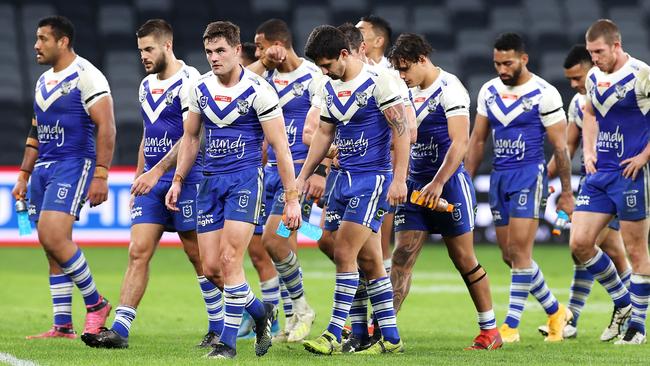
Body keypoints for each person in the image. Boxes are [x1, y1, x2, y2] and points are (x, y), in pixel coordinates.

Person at [79, 19, 224, 349]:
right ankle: (120, 329)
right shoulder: (145, 86)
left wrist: (157, 173)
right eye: (140, 50)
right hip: (153, 184)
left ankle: (222, 324)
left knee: (199, 258)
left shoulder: (191, 82)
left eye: (148, 49)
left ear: (167, 46)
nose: (143, 55)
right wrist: (138, 178)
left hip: (187, 180)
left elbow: (193, 136)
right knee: (137, 252)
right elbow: (150, 134)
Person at [165, 21, 302, 359]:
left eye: (221, 50)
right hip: (209, 182)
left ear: (237, 51)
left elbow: (280, 146)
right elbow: (192, 137)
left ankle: (226, 344)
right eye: (209, 51)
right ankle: (260, 313)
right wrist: (178, 178)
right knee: (210, 267)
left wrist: (292, 197)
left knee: (229, 259)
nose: (214, 57)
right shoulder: (198, 88)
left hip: (245, 180)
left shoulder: (259, 90)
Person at [387, 33, 501, 351]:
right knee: (402, 255)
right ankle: (385, 328)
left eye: (405, 68)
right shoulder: (403, 91)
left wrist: (437, 183)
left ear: (423, 60)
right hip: (413, 187)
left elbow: (460, 142)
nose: (402, 76)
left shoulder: (450, 88)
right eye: (397, 69)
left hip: (448, 185)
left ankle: (490, 331)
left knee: (463, 258)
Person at [300, 25, 409, 355]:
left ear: (344, 54)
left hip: (371, 179)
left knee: (345, 253)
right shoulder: (328, 85)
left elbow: (401, 131)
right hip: (340, 179)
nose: (323, 71)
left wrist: (400, 178)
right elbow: (323, 133)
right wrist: (304, 174)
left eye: (327, 64)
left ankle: (333, 334)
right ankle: (390, 338)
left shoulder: (380, 81)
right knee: (365, 258)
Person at [465, 32, 574, 343]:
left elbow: (561, 148)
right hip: (500, 176)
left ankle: (510, 326)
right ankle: (555, 311)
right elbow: (478, 140)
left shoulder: (545, 93)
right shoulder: (489, 91)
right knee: (507, 255)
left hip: (530, 175)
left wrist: (566, 192)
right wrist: (465, 180)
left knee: (520, 252)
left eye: (507, 63)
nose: (502, 69)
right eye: (497, 63)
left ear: (523, 59)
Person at [12, 15, 114, 339]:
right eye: (36, 38)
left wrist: (101, 174)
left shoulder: (88, 76)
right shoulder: (43, 82)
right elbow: (35, 132)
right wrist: (23, 175)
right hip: (43, 167)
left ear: (63, 41)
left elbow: (107, 126)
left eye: (43, 38)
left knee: (54, 235)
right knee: (50, 245)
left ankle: (96, 303)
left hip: (74, 162)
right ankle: (62, 324)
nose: (36, 45)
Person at [538, 44, 632, 340]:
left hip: (621, 181)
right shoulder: (579, 104)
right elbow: (567, 147)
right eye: (570, 81)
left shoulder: (621, 95)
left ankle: (618, 308)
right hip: (595, 184)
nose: (575, 85)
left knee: (582, 246)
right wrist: (543, 174)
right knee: (611, 253)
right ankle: (586, 318)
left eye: (578, 78)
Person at [570, 19, 650, 345]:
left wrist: (644, 156)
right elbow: (589, 114)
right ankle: (623, 302)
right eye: (591, 52)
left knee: (635, 250)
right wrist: (588, 151)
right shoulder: (593, 77)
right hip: (598, 174)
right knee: (580, 243)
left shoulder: (641, 74)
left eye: (599, 52)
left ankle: (638, 328)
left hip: (629, 174)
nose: (595, 58)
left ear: (616, 46)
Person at [247, 18, 322, 343]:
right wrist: (263, 62)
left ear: (278, 43)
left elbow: (326, 126)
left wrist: (320, 171)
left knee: (275, 242)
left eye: (261, 46)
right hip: (270, 174)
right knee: (282, 244)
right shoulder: (265, 78)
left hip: (299, 174)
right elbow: (237, 80)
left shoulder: (314, 76)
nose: (259, 53)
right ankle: (293, 316)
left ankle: (302, 309)